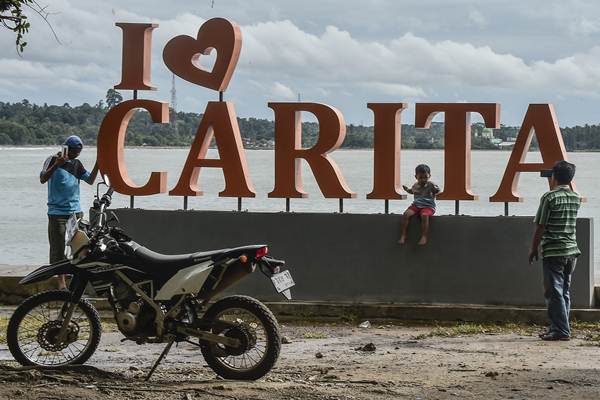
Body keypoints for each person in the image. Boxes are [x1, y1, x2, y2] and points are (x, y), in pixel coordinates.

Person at [529, 160, 581, 341]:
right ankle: (559, 327)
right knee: (564, 291)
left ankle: (560, 331)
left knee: (554, 292)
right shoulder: (576, 198)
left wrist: (533, 249)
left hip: (554, 250)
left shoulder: (549, 197)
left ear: (554, 177)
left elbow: (541, 226)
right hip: (571, 251)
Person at [40, 135, 98, 289]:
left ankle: (77, 278)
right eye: (74, 152)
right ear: (66, 148)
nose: (76, 155)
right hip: (56, 212)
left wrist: (99, 164)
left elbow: (90, 180)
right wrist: (57, 164)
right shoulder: (52, 160)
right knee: (57, 247)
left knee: (81, 246)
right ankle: (61, 282)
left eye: (79, 152)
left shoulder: (77, 164)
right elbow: (43, 178)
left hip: (75, 212)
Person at [398, 164, 440, 245]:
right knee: (406, 214)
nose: (423, 179)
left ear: (429, 176)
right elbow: (412, 191)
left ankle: (424, 236)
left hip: (428, 206)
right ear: (416, 177)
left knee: (424, 215)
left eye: (425, 177)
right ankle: (403, 235)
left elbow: (439, 192)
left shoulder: (431, 185)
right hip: (416, 205)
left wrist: (437, 193)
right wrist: (407, 190)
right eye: (420, 178)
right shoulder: (415, 185)